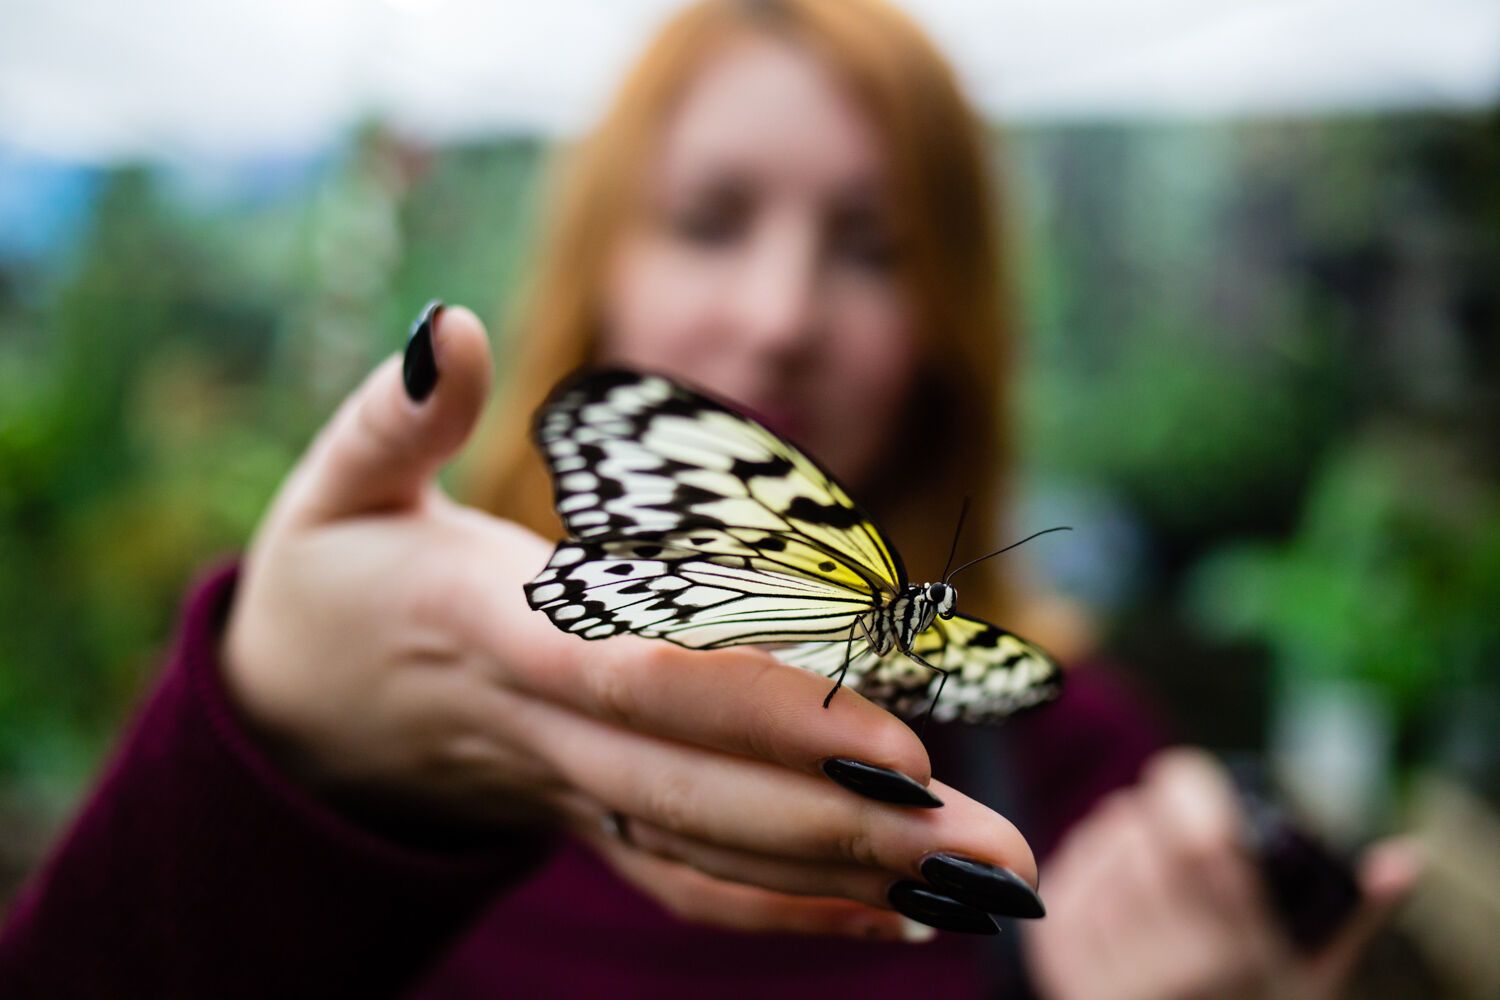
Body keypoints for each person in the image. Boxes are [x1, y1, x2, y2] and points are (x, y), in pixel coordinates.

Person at [0, 0, 1416, 996]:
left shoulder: (1070, 766)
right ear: (600, 266)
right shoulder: (379, 697)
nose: (782, 311)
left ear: (953, 323)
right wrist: (269, 762)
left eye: (873, 247)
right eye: (711, 219)